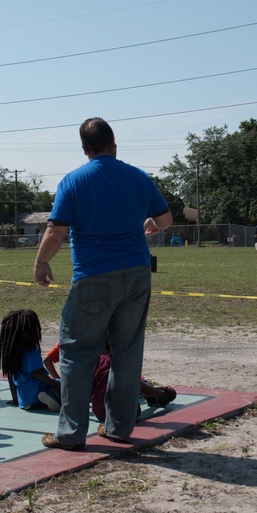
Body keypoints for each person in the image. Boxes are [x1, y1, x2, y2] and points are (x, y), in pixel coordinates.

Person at [33, 117, 172, 450]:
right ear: (114, 143)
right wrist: (151, 222)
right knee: (127, 354)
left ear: (84, 150)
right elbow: (166, 219)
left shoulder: (73, 181)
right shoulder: (139, 177)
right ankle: (119, 428)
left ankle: (70, 434)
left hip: (93, 276)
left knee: (77, 354)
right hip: (138, 274)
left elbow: (55, 231)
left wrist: (41, 262)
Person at [0, 309, 62, 411]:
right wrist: (57, 385)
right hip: (37, 391)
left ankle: (39, 401)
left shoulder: (12, 351)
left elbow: (11, 379)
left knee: (55, 384)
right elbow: (36, 372)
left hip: (24, 399)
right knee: (63, 384)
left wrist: (15, 400)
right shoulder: (30, 348)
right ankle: (52, 397)